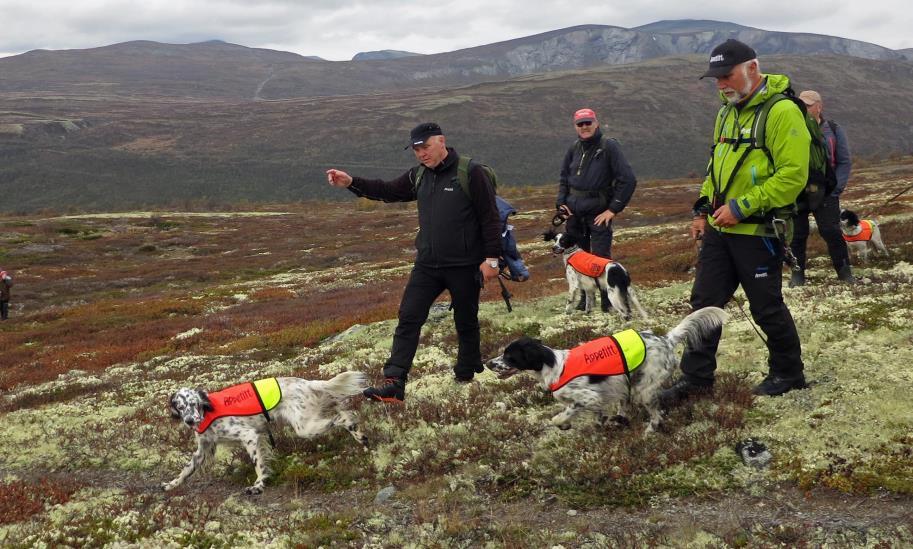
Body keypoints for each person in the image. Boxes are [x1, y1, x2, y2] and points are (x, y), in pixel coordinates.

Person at [662, 39, 809, 402]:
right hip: (720, 228)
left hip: (759, 230)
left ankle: (789, 373)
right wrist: (702, 210)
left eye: (726, 76)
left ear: (752, 68)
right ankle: (695, 379)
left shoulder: (782, 112)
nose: (721, 84)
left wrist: (741, 207)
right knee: (705, 303)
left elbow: (793, 177)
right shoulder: (726, 112)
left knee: (766, 305)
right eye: (716, 78)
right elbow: (717, 168)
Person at [325, 122, 501, 403]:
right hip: (427, 265)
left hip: (464, 265)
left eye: (425, 147)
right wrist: (351, 183)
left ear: (441, 141)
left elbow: (489, 217)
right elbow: (387, 190)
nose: (421, 154)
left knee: (466, 320)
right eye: (416, 149)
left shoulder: (471, 173)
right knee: (408, 318)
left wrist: (492, 259)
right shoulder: (418, 176)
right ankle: (395, 383)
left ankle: (466, 371)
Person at [556, 108, 637, 312]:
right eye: (580, 124)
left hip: (598, 214)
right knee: (578, 260)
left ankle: (608, 303)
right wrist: (561, 203)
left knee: (600, 259)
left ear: (596, 123)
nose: (584, 127)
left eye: (588, 123)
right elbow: (564, 178)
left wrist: (612, 210)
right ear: (575, 126)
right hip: (575, 215)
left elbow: (628, 180)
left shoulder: (609, 146)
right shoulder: (574, 148)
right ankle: (585, 302)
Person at [788, 89, 854, 286]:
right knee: (797, 235)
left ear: (819, 106)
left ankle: (845, 273)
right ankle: (797, 276)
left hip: (826, 192)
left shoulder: (833, 129)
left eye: (808, 105)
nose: (804, 109)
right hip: (798, 191)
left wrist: (836, 189)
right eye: (801, 105)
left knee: (831, 231)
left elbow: (844, 161)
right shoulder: (791, 128)